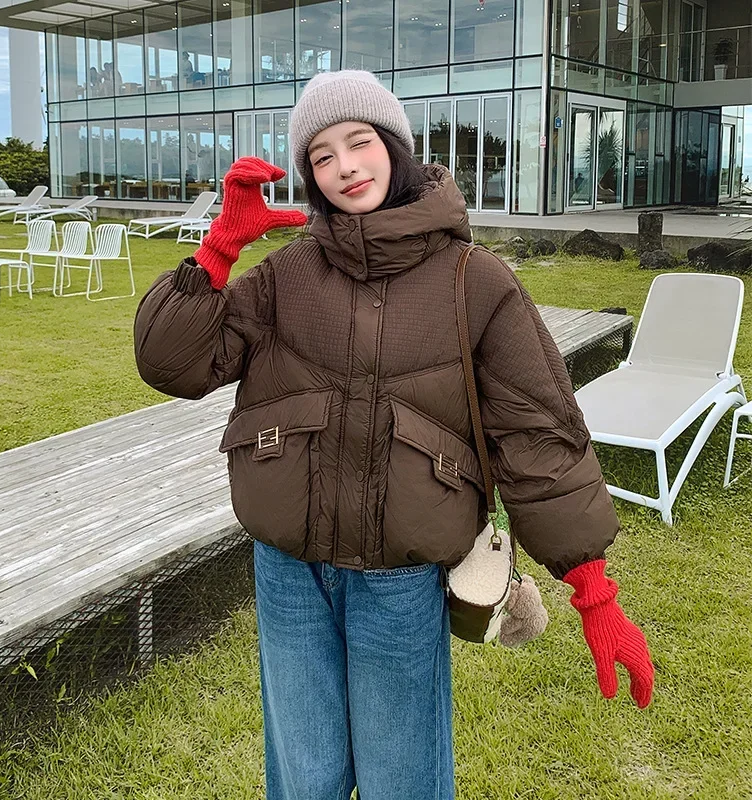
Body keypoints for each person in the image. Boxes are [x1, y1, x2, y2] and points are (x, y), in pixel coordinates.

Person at [134, 70, 654, 800]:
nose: (344, 165)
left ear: (395, 147)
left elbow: (537, 435)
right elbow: (171, 361)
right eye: (320, 155)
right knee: (304, 781)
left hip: (400, 585)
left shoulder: (476, 281)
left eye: (359, 141)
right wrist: (219, 249)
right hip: (289, 575)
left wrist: (595, 594)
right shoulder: (286, 276)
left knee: (400, 782)